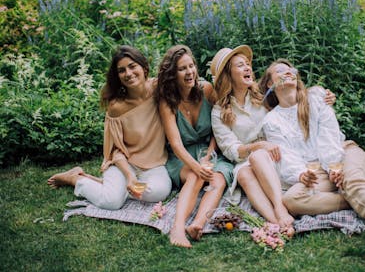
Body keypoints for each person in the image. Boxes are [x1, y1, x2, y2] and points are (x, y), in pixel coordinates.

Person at [259, 59, 365, 254]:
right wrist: (301, 174)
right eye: (280, 70)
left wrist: (335, 167)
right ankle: (355, 200)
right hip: (314, 170)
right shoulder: (271, 121)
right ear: (270, 83)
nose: (287, 72)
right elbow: (286, 155)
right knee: (292, 199)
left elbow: (329, 137)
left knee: (351, 179)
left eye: (290, 69)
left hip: (343, 152)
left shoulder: (317, 98)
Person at [210, 45, 335, 230]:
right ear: (228, 76)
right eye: (240, 65)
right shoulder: (219, 111)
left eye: (247, 64)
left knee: (260, 156)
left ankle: (279, 208)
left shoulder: (262, 97)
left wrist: (321, 92)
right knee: (245, 171)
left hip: (277, 154)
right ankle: (277, 220)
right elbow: (231, 150)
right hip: (247, 158)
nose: (247, 68)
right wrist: (259, 145)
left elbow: (292, 95)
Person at [47, 45, 172, 210]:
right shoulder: (116, 107)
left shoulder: (158, 89)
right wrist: (128, 175)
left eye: (132, 66)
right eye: (121, 70)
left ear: (144, 67)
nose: (128, 73)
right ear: (118, 76)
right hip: (124, 164)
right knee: (111, 202)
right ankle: (75, 179)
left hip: (154, 164)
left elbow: (184, 81)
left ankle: (109, 186)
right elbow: (114, 150)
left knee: (159, 192)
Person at [156, 45, 233, 248]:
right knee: (195, 175)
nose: (189, 72)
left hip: (211, 150)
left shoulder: (206, 89)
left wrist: (209, 156)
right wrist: (197, 166)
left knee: (218, 178)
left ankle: (198, 224)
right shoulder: (167, 100)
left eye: (191, 66)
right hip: (181, 156)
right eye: (182, 68)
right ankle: (177, 228)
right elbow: (175, 143)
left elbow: (219, 127)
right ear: (173, 74)